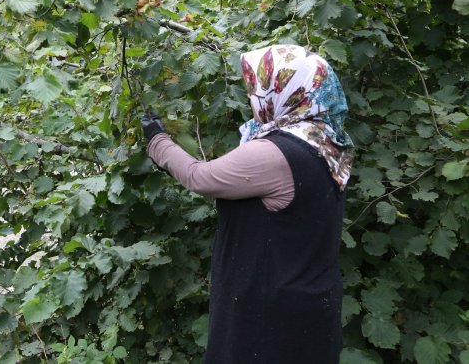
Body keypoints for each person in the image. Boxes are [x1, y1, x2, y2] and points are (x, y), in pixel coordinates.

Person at [141, 44, 353, 363]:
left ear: (286, 91)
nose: (253, 95)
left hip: (269, 319)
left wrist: (157, 141)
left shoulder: (276, 152)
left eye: (260, 86)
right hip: (307, 309)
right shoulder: (325, 142)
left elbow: (200, 177)